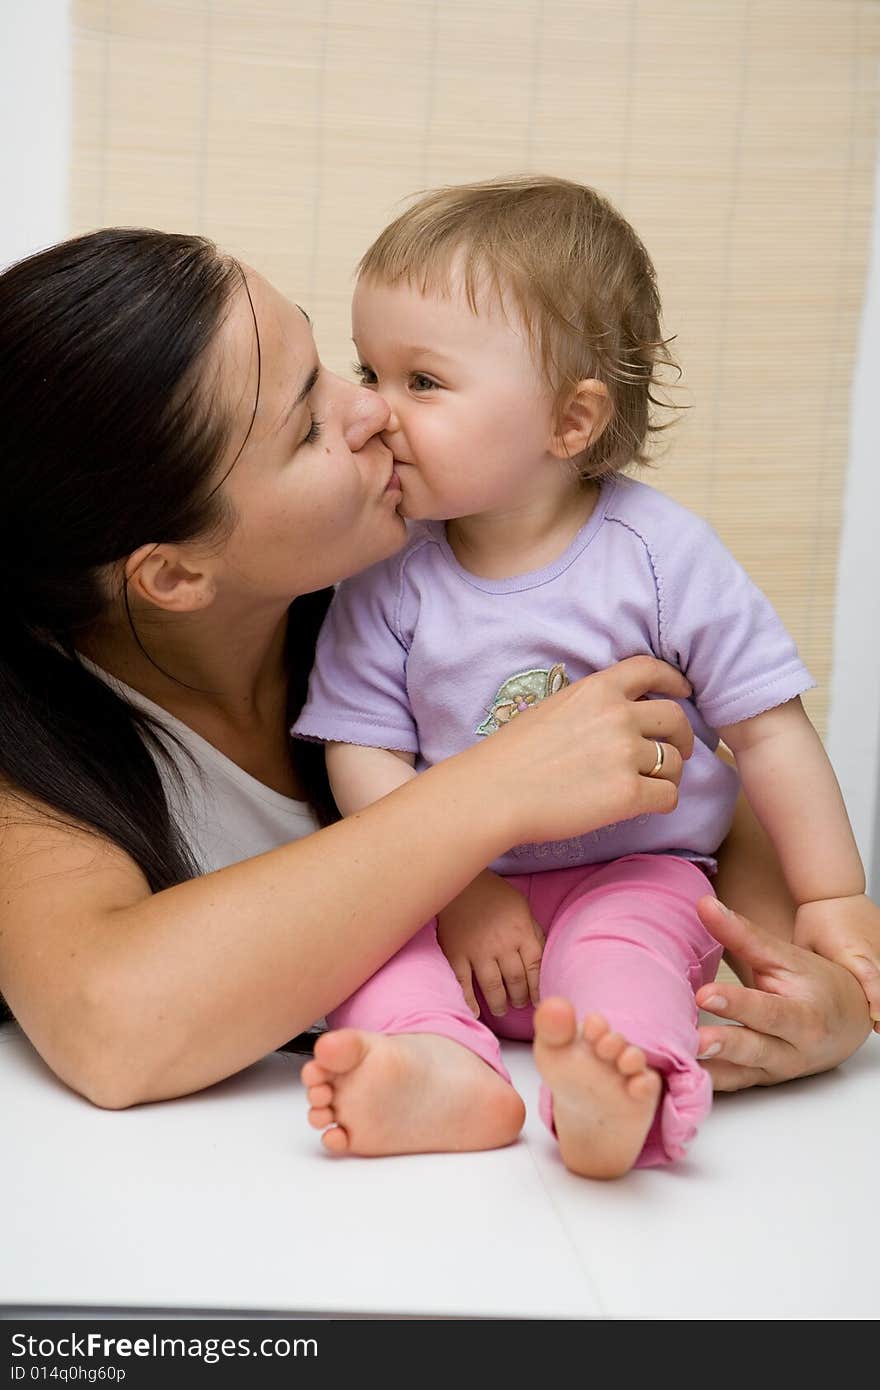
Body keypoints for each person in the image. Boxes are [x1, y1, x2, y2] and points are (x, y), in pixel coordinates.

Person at [0, 230, 870, 1132]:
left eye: (334, 366)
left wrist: (817, 1000)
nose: (375, 411)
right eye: (308, 427)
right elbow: (110, 1025)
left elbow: (707, 780)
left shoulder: (424, 582)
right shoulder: (32, 750)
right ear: (174, 575)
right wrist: (492, 793)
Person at [293, 177, 880, 1178]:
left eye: (421, 382)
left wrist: (830, 894)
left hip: (633, 873)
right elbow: (361, 744)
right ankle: (440, 1071)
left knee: (629, 951)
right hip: (452, 892)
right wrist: (460, 883)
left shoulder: (658, 554)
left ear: (570, 422)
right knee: (364, 946)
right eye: (368, 369)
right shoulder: (389, 568)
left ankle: (617, 1088)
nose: (374, 410)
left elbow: (768, 728)